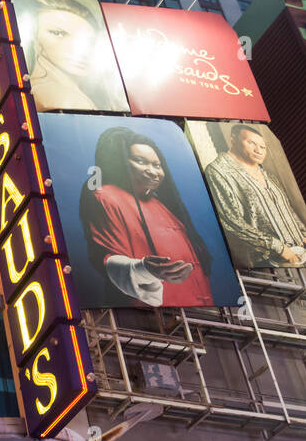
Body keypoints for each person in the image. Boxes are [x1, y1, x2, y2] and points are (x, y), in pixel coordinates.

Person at [80, 126, 215, 306]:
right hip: (152, 313)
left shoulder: (161, 204)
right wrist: (144, 268)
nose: (152, 171)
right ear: (121, 162)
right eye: (140, 161)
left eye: (157, 165)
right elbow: (106, 256)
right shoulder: (104, 196)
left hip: (198, 308)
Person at [204, 124, 306, 269]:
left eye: (262, 147)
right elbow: (231, 221)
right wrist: (277, 247)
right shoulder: (218, 171)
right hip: (264, 264)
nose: (258, 150)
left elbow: (288, 211)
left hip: (302, 257)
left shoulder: (269, 176)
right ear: (233, 140)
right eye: (251, 143)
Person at [14, 0, 125, 112]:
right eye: (58, 33)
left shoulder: (66, 93)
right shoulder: (62, 97)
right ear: (31, 34)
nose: (81, 50)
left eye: (88, 40)